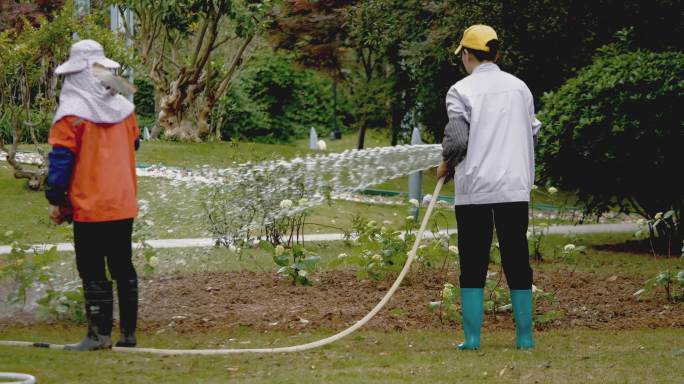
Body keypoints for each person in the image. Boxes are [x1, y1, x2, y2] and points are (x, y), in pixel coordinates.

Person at [437, 25, 541, 350]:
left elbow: (457, 139)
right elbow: (533, 132)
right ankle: (524, 338)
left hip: (476, 191)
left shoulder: (460, 91)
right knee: (516, 257)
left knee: (473, 261)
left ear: (467, 55)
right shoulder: (520, 88)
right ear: (495, 54)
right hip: (513, 186)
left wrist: (445, 165)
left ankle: (472, 339)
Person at [45, 39, 140, 351]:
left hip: (90, 204)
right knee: (123, 266)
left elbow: (61, 160)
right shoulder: (125, 111)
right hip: (123, 202)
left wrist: (57, 199)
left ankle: (98, 335)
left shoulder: (72, 115)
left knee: (93, 269)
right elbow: (134, 144)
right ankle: (127, 335)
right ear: (100, 71)